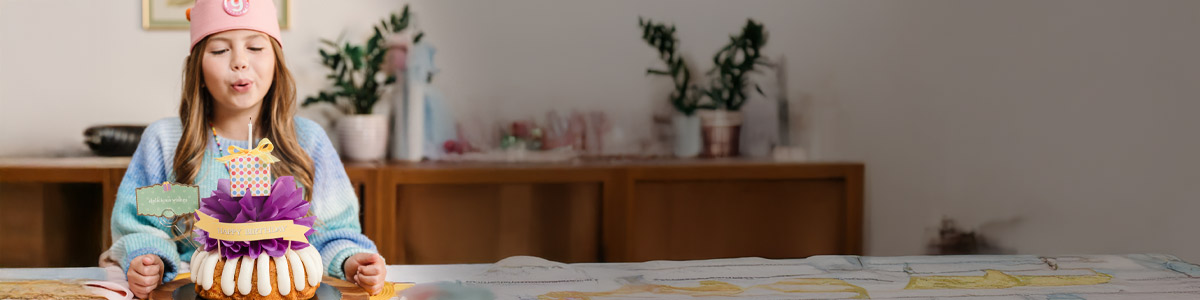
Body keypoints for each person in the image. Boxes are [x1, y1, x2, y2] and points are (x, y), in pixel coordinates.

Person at [105, 0, 386, 297]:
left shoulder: (309, 141)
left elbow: (334, 232)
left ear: (276, 61)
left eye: (255, 48)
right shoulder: (164, 141)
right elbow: (141, 226)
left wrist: (352, 260)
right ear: (198, 67)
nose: (239, 61)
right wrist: (148, 260)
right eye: (219, 50)